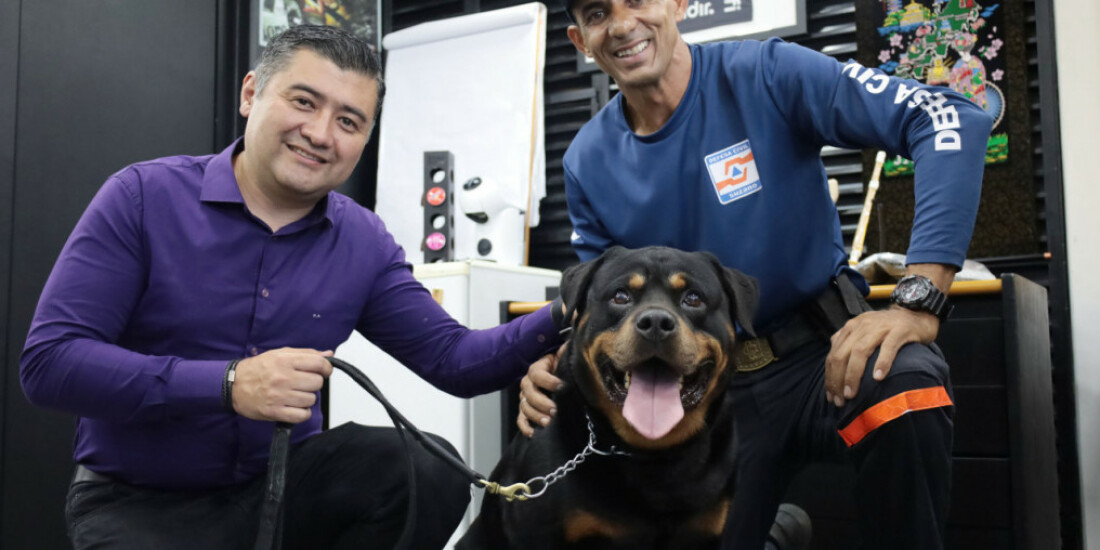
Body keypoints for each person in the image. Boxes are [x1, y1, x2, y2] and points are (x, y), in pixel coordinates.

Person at [21, 25, 564, 549]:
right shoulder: (142, 198)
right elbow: (50, 364)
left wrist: (578, 309)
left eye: (349, 121)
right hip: (139, 503)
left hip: (288, 494)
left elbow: (456, 359)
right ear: (251, 93)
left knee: (423, 471)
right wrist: (230, 384)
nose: (322, 134)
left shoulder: (363, 240)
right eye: (304, 102)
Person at [519, 1, 994, 549]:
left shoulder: (767, 73)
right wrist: (555, 359)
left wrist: (917, 301)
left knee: (902, 385)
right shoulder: (587, 159)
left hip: (826, 356)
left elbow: (947, 115)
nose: (623, 25)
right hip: (703, 393)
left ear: (676, 4)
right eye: (599, 13)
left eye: (638, 1)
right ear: (581, 41)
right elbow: (597, 303)